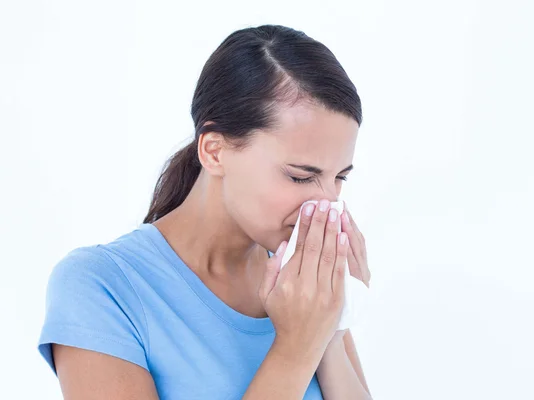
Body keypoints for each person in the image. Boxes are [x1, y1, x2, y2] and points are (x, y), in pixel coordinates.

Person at [38, 24, 372, 399]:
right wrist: (296, 347)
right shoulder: (101, 287)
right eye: (299, 177)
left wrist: (330, 324)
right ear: (214, 151)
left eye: (339, 177)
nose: (325, 205)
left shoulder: (303, 286)